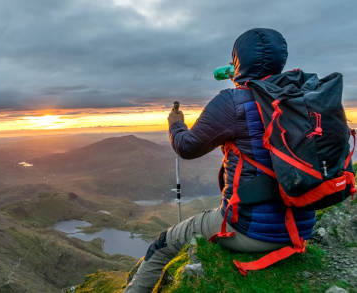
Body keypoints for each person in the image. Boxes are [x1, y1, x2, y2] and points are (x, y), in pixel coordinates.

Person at [124, 28, 316, 292]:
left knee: (162, 242)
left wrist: (175, 124)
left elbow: (187, 147)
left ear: (238, 61)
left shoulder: (232, 102)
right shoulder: (302, 98)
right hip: (302, 225)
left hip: (250, 231)